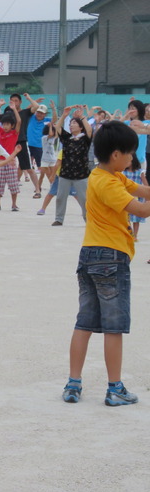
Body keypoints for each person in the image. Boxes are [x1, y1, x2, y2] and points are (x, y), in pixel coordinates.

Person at [62, 121, 150, 407]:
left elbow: (142, 191)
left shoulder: (106, 175)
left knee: (84, 322)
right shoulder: (109, 183)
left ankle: (73, 384)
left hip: (89, 256)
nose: (131, 159)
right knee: (114, 327)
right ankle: (115, 388)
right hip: (111, 257)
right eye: (129, 154)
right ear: (116, 154)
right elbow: (141, 209)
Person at [53, 105, 92, 226]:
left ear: (80, 127)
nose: (71, 125)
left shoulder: (85, 139)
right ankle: (59, 219)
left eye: (74, 123)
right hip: (65, 173)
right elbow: (57, 127)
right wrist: (64, 115)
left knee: (84, 199)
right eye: (70, 123)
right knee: (60, 197)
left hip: (81, 174)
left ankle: (88, 219)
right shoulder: (67, 138)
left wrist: (82, 117)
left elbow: (89, 130)